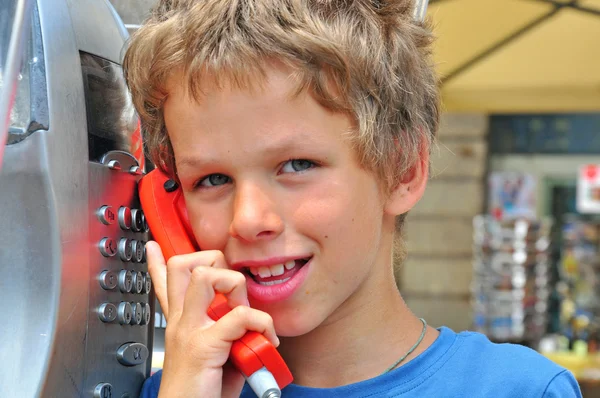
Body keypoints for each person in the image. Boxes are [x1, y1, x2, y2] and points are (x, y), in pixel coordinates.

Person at [122, 0, 582, 396]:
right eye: (212, 179)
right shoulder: (175, 389)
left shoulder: (516, 389)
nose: (248, 219)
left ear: (403, 169)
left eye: (298, 165)